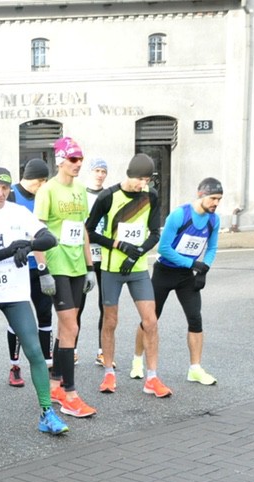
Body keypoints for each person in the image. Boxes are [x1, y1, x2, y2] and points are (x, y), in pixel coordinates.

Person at [0, 167, 68, 435]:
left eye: (5, 188)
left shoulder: (18, 212)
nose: (0, 193)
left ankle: (46, 412)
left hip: (15, 295)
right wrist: (9, 251)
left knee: (35, 351)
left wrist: (29, 246)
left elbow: (49, 238)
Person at [86, 154, 170, 398]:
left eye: (147, 180)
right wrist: (118, 245)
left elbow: (154, 233)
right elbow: (89, 231)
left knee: (150, 321)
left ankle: (152, 378)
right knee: (110, 321)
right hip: (111, 268)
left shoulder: (150, 196)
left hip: (138, 268)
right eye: (140, 179)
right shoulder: (108, 196)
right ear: (130, 174)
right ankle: (108, 373)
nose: (143, 185)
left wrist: (137, 253)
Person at [135, 178, 223, 386]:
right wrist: (192, 263)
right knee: (150, 319)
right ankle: (137, 360)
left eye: (219, 199)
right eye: (213, 198)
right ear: (201, 194)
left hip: (186, 276)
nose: (216, 203)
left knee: (195, 318)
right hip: (164, 272)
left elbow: (212, 247)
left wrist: (205, 267)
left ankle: (195, 369)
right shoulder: (179, 215)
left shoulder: (214, 220)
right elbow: (164, 248)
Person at [36, 137, 97, 418]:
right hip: (57, 263)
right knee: (70, 326)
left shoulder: (81, 190)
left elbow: (82, 229)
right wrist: (43, 270)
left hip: (77, 265)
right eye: (73, 159)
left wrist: (90, 266)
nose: (79, 164)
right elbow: (37, 232)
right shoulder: (47, 190)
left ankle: (54, 385)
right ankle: (70, 395)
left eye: (81, 159)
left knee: (67, 328)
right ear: (60, 160)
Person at [5, 158, 54, 387]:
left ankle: (48, 363)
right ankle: (14, 366)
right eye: (42, 182)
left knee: (45, 315)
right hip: (18, 266)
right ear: (38, 180)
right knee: (16, 319)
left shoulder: (44, 197)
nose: (43, 187)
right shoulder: (11, 195)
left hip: (39, 266)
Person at [84, 158, 110, 366]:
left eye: (103, 171)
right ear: (90, 172)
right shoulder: (81, 194)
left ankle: (103, 351)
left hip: (105, 255)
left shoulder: (110, 195)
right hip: (84, 255)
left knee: (105, 305)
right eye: (97, 170)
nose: (100, 175)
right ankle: (73, 351)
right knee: (77, 305)